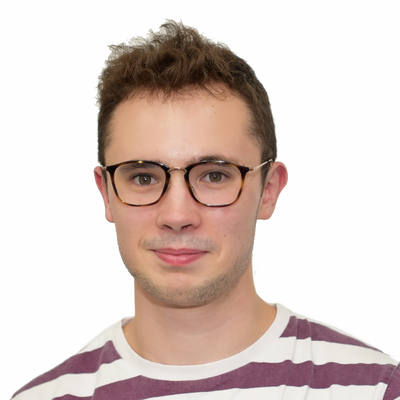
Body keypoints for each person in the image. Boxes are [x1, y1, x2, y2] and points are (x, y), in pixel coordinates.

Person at [12, 20, 399, 400]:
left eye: (214, 175)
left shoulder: (375, 390)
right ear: (106, 194)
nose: (177, 216)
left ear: (268, 190)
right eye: (144, 177)